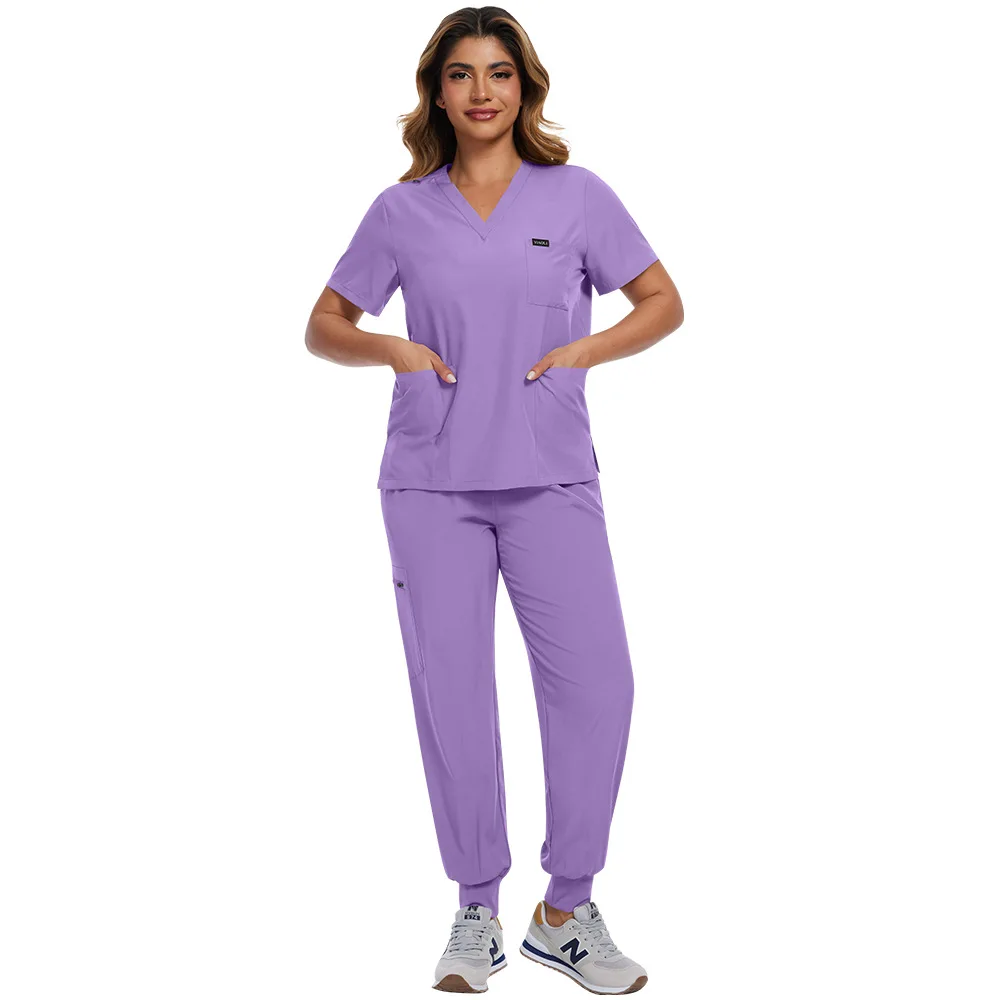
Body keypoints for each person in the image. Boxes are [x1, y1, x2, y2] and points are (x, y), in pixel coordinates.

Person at [305, 8, 683, 994]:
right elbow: (324, 323)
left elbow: (661, 301)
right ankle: (476, 907)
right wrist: (392, 348)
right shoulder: (401, 212)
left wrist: (584, 350)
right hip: (431, 482)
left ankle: (565, 909)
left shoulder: (579, 195)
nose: (482, 91)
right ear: (437, 92)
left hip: (550, 474)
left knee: (599, 686)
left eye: (500, 73)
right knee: (455, 696)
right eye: (463, 74)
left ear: (526, 87)